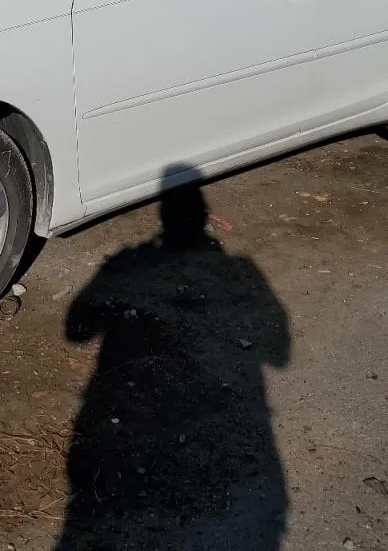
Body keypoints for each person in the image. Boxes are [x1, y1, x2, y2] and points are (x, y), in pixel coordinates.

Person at [58, 167, 291, 550]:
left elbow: (76, 329)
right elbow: (279, 354)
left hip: (129, 444)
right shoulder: (240, 273)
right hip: (225, 454)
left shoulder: (130, 263)